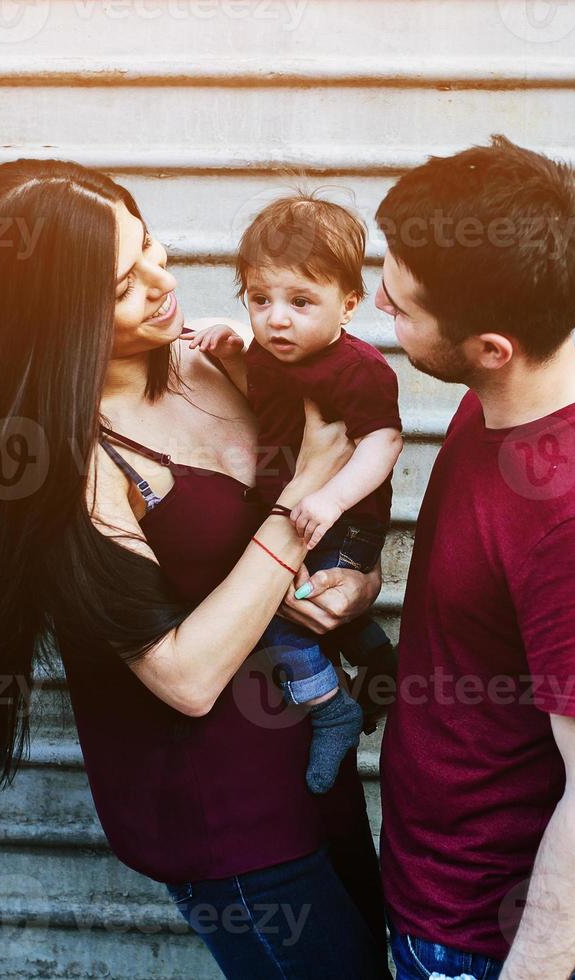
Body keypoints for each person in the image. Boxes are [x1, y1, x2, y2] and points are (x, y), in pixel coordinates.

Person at [0, 159, 391, 980]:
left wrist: (357, 582)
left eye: (150, 244)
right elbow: (186, 679)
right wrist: (295, 515)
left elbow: (344, 489)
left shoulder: (213, 359)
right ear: (53, 318)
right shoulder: (65, 470)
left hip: (312, 770)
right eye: (123, 284)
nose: (163, 281)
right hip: (227, 822)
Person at [374, 136, 575, 979]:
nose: (377, 305)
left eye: (401, 307)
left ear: (490, 347)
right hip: (421, 895)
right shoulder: (501, 408)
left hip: (477, 945)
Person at [189, 193, 403, 795]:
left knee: (276, 623)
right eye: (260, 300)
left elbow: (383, 442)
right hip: (291, 509)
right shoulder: (273, 348)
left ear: (349, 306)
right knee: (304, 606)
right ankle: (378, 658)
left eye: (301, 302)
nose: (276, 319)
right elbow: (261, 384)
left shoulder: (358, 370)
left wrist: (331, 500)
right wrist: (230, 340)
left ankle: (331, 707)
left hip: (341, 520)